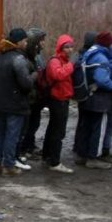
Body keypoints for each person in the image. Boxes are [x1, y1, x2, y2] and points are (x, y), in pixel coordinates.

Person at [0, 28, 33, 176]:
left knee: (0, 133)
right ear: (19, 42)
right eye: (25, 40)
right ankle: (8, 166)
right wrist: (34, 76)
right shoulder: (18, 59)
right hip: (15, 103)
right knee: (12, 135)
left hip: (0, 102)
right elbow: (26, 84)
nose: (27, 43)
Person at [73, 31, 112, 169]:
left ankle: (82, 155)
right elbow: (102, 79)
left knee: (85, 126)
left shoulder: (88, 54)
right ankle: (93, 157)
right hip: (99, 99)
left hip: (86, 96)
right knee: (98, 128)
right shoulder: (101, 58)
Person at [42, 34, 75, 173]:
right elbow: (57, 75)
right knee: (58, 132)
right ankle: (54, 161)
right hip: (58, 100)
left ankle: (47, 155)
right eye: (66, 47)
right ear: (60, 47)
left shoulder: (63, 60)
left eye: (71, 47)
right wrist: (70, 66)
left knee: (53, 129)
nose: (69, 50)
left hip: (62, 99)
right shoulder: (56, 61)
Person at [19, 28, 46, 162]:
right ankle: (24, 148)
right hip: (29, 97)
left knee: (34, 123)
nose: (43, 43)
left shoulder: (38, 55)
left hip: (37, 97)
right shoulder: (25, 57)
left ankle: (30, 145)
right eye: (41, 40)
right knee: (26, 125)